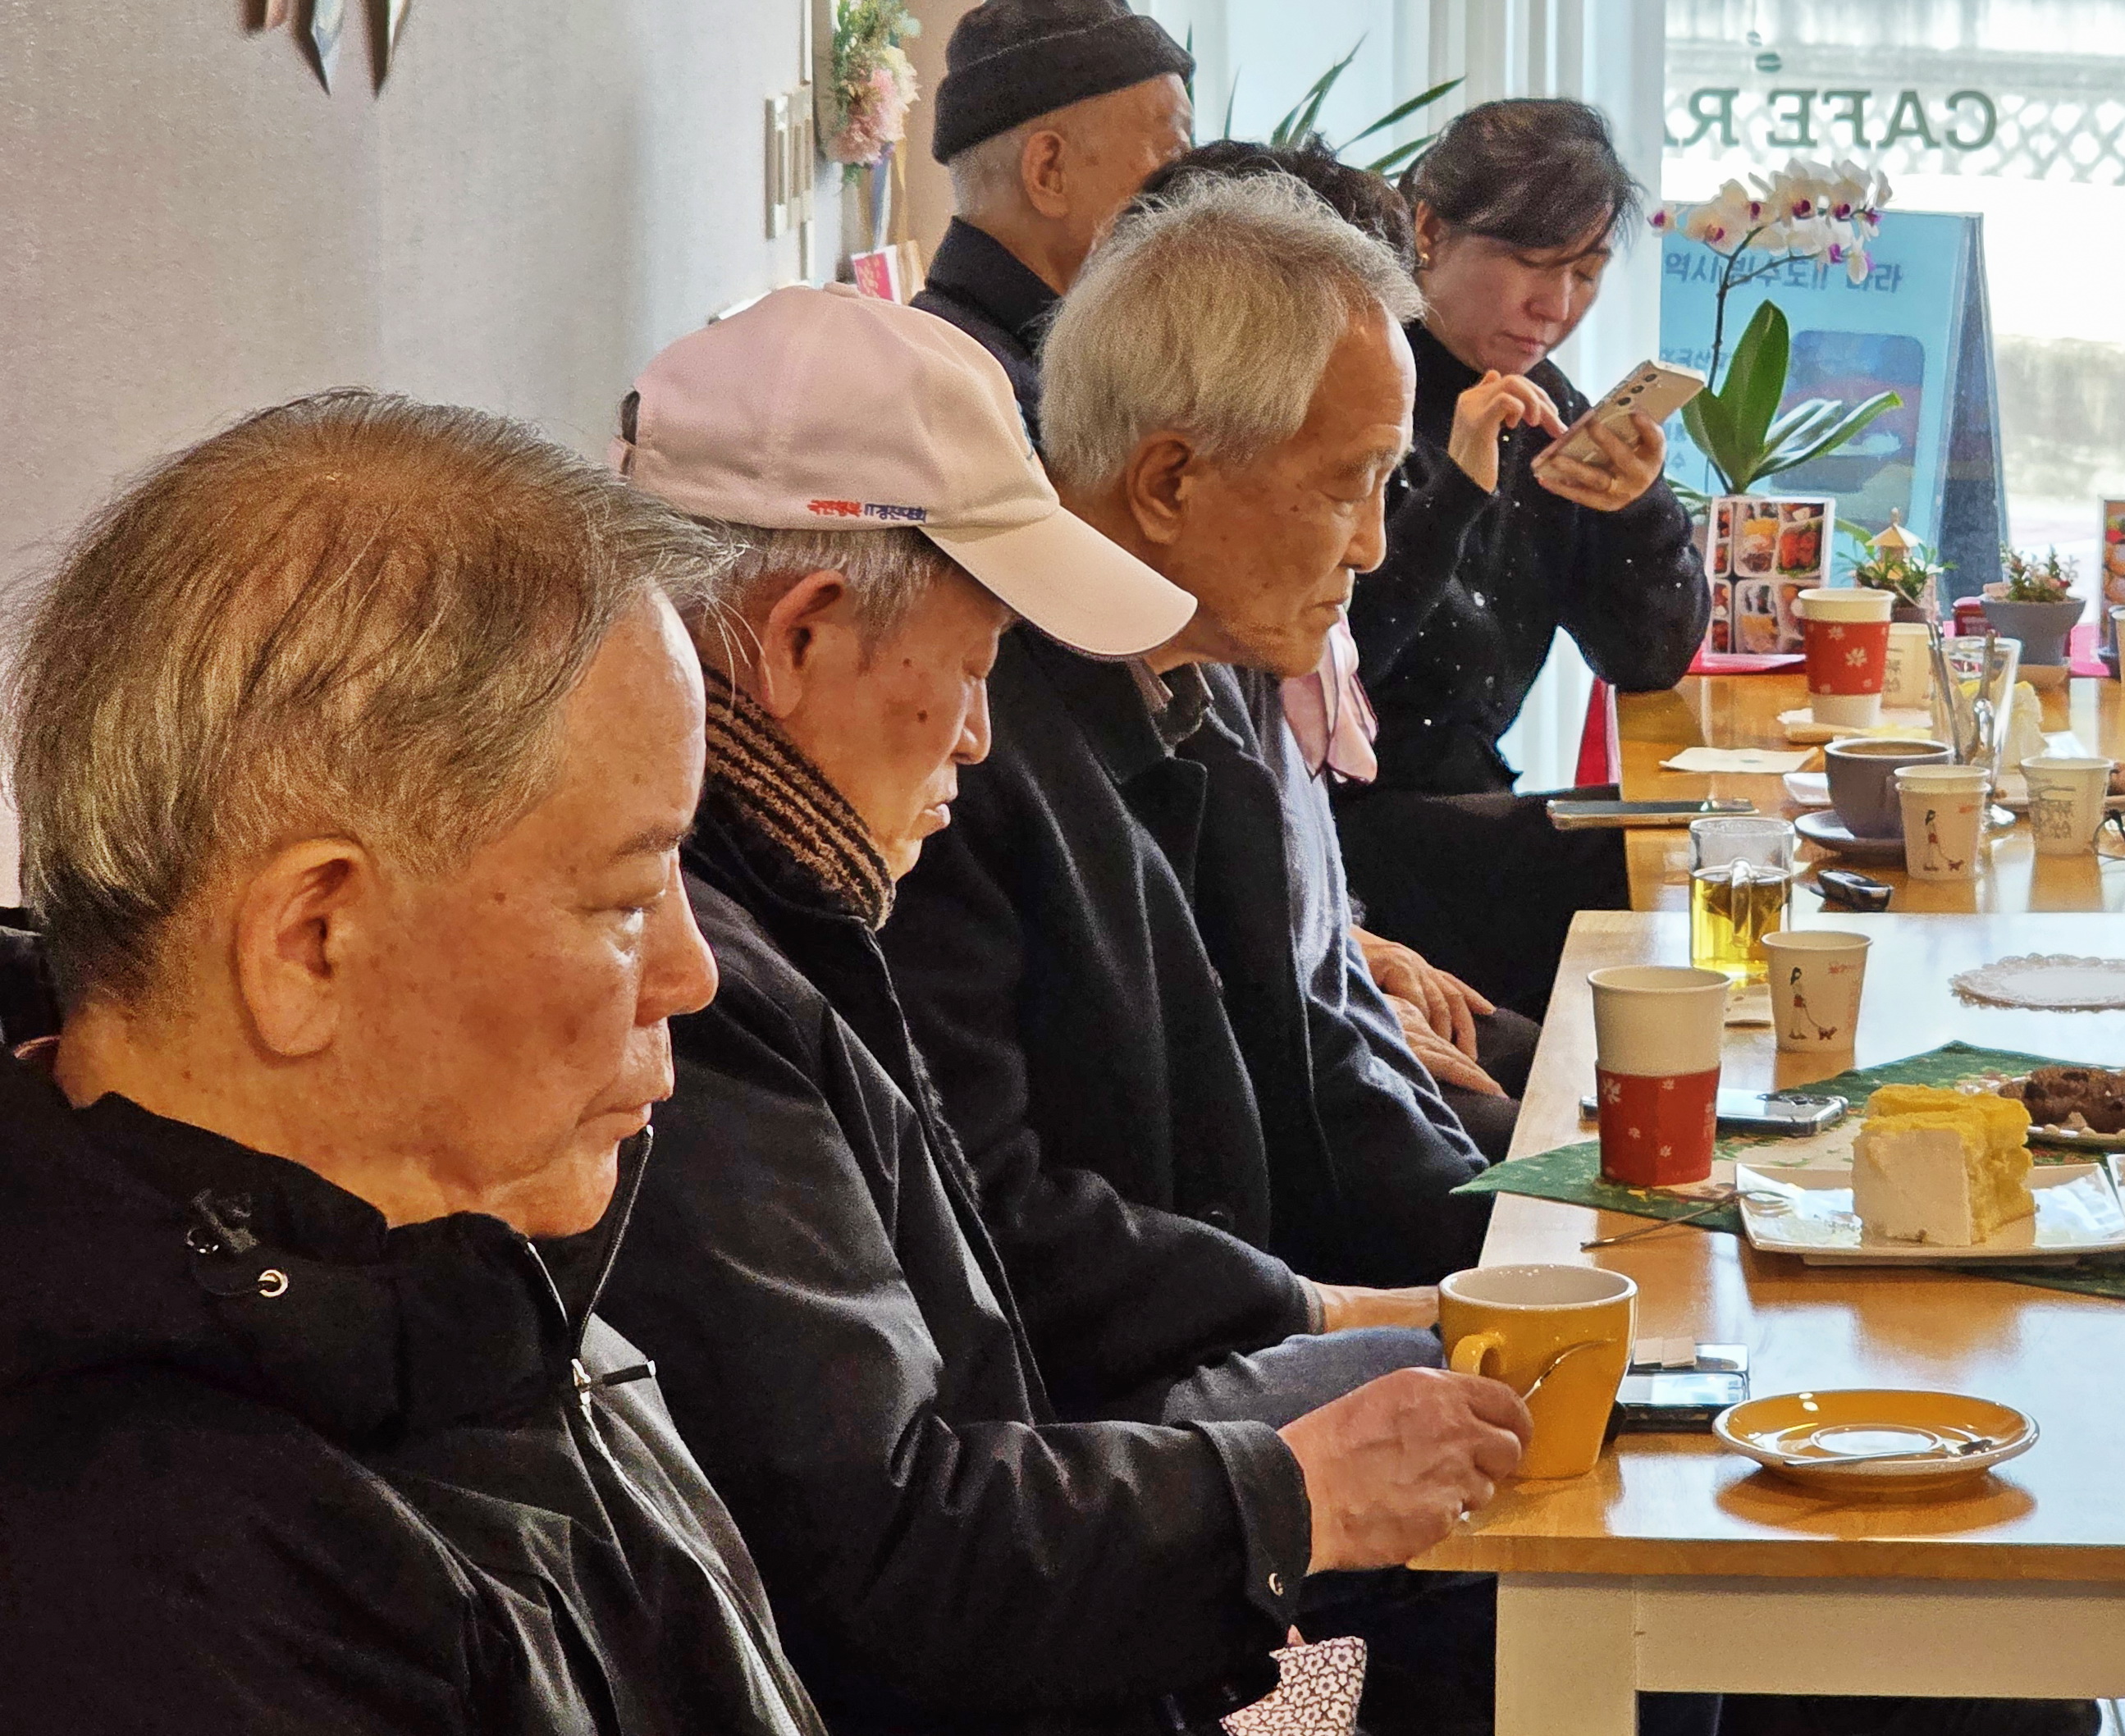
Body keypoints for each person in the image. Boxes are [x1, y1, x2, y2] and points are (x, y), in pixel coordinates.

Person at [596, 284, 1529, 1734]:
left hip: (1066, 1527)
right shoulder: (696, 988)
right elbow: (888, 1555)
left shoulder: (796, 893)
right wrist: (1293, 1493)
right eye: (972, 668)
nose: (981, 733)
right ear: (799, 638)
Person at [0, 393, 824, 1734]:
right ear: (312, 941)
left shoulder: (458, 1263)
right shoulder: (143, 1590)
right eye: (625, 899)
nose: (692, 974)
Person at [887, 174, 1499, 1297]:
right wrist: (1335, 1322)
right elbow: (996, 1220)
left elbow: (1316, 1068)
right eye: (1348, 487)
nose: (1372, 547)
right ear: (1168, 480)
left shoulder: (1206, 666)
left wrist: (1512, 1256)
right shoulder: (957, 744)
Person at [1116, 140, 1544, 1149]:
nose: (1369, 544)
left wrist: (1350, 948)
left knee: (1571, 1062)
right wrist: (1344, 992)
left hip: (1337, 972)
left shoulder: (1229, 613)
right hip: (1300, 1070)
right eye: (1353, 484)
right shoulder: (1188, 621)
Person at [1335, 98, 1715, 1016]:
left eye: (1586, 273)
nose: (1557, 305)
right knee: (1662, 868)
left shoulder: (1539, 397)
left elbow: (1646, 659)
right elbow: (1337, 662)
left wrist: (1637, 506)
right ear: (1428, 230)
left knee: (1700, 842)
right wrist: (1454, 495)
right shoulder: (1356, 382)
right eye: (1531, 262)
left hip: (1465, 815)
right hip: (1353, 840)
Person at [915, 0, 1194, 427]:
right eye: (1173, 153)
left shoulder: (1056, 364)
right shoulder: (965, 403)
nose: (1190, 185)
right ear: (1050, 172)